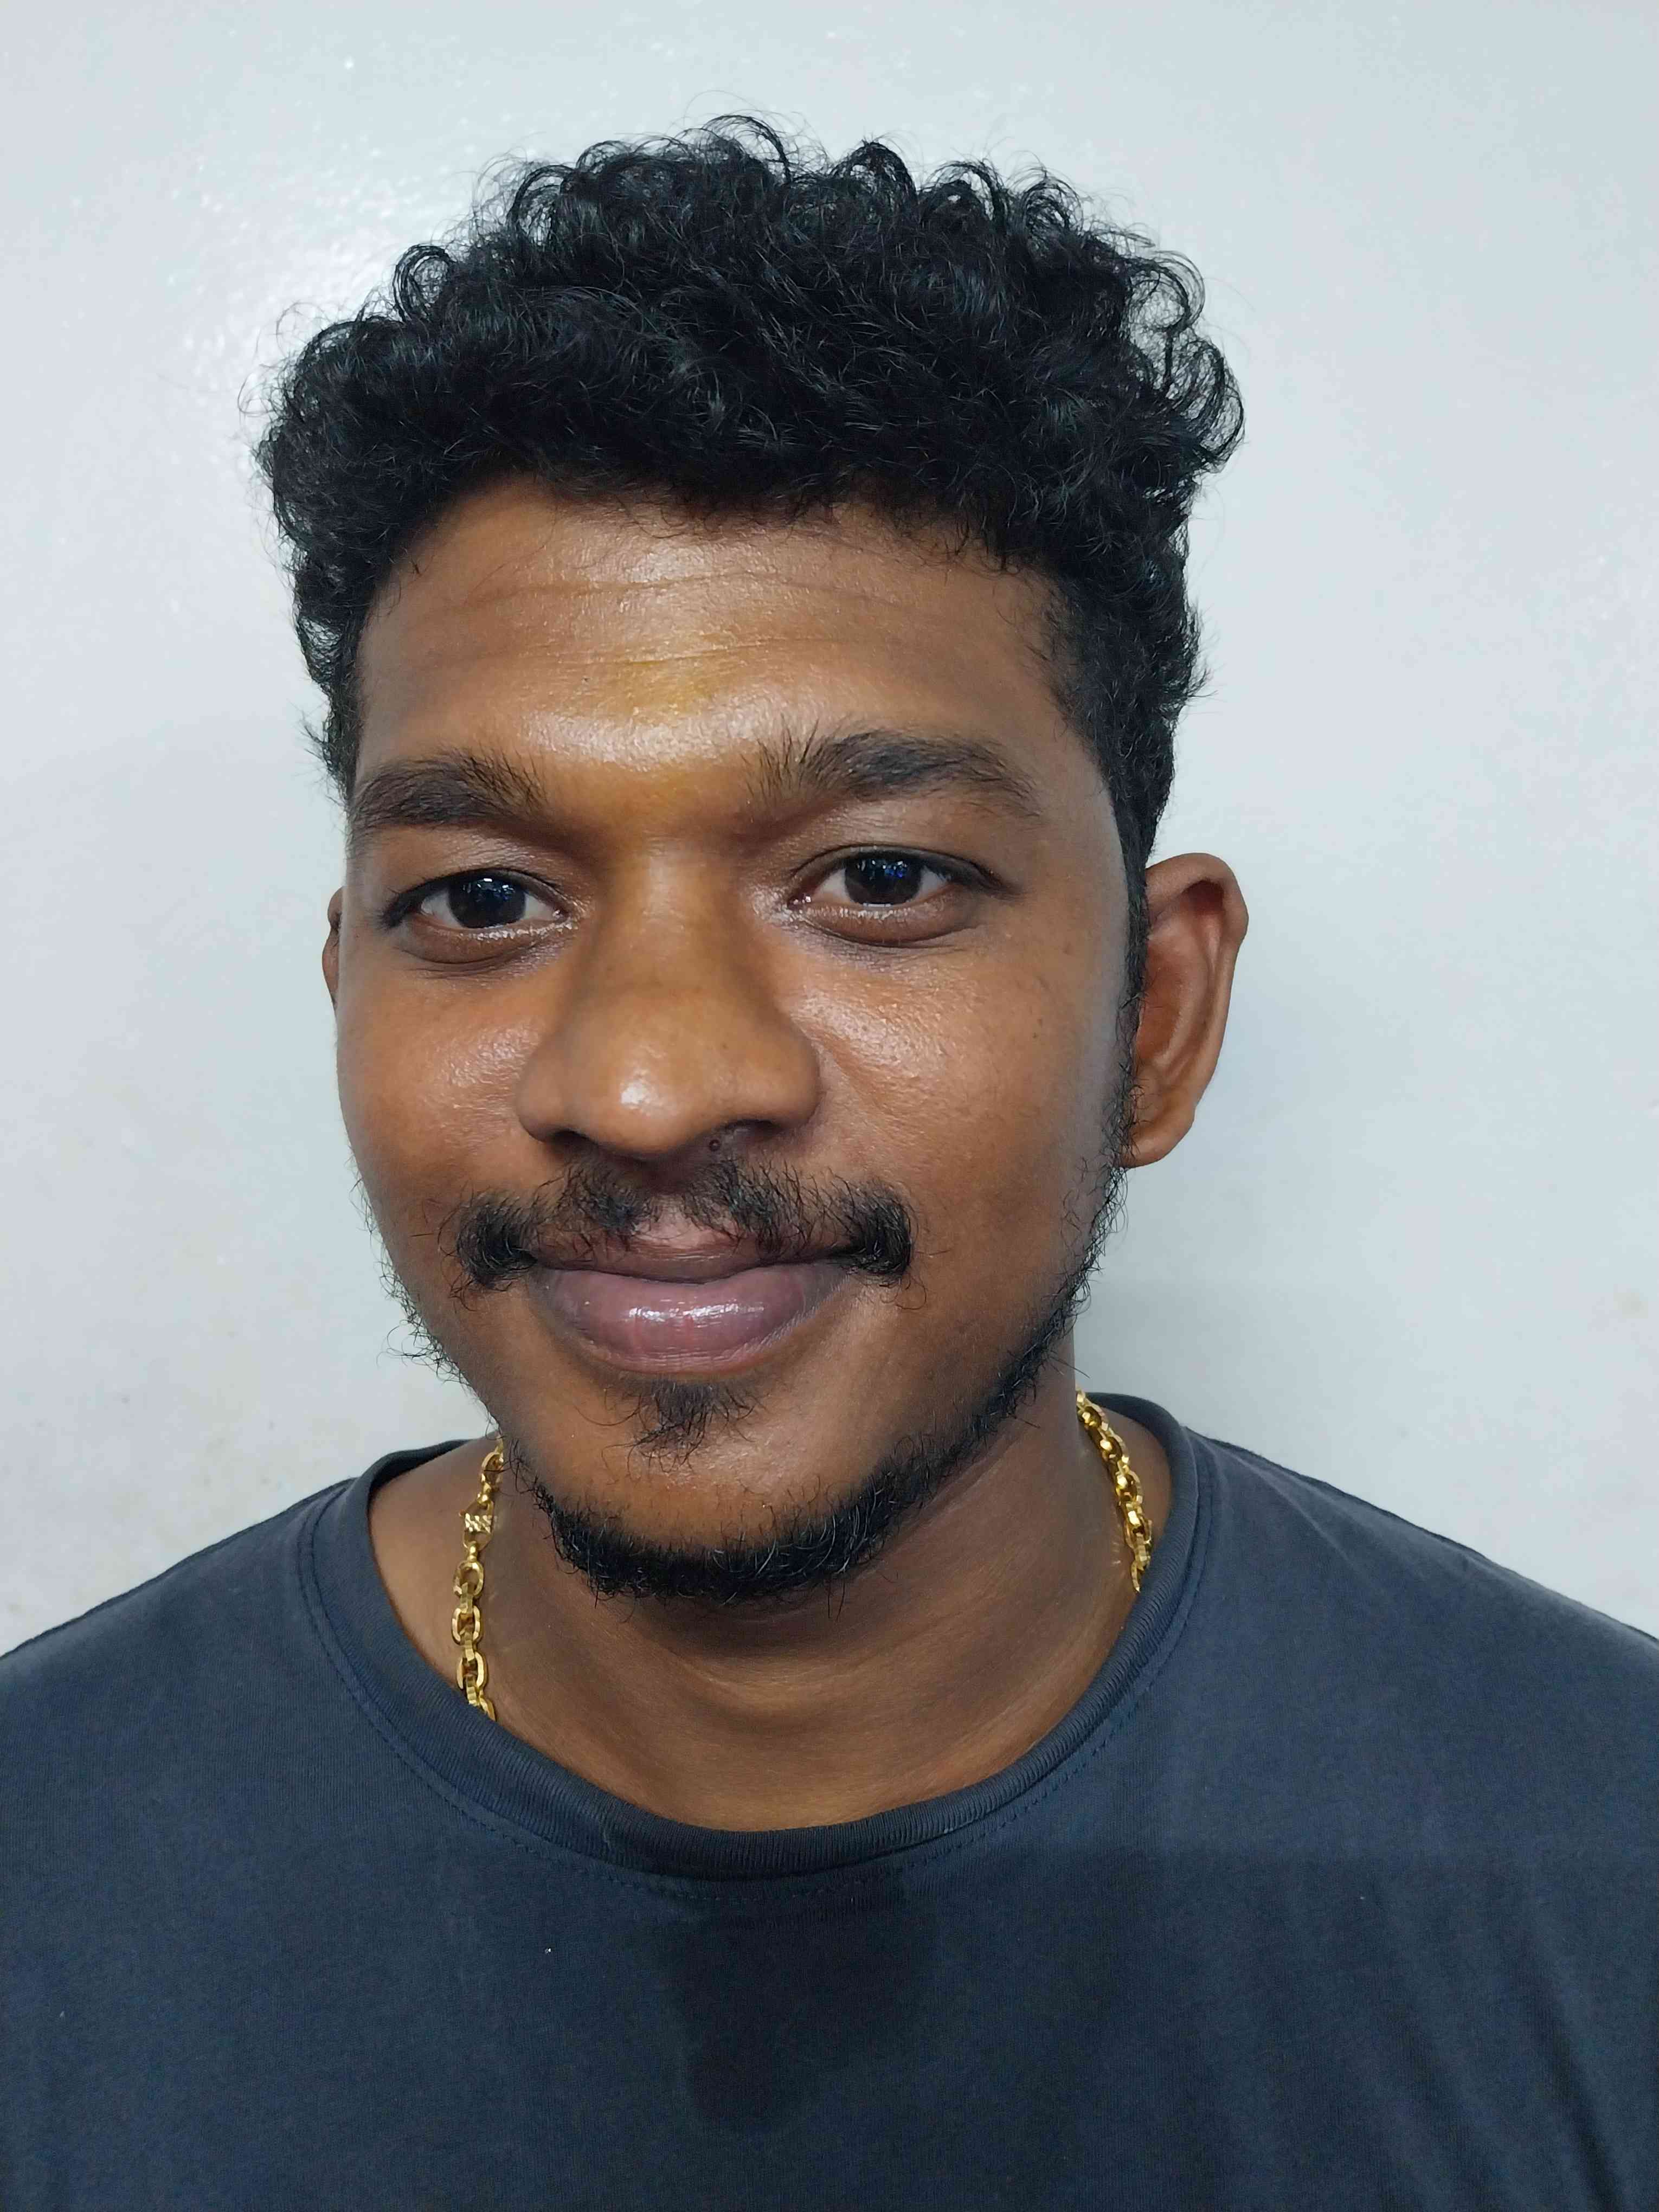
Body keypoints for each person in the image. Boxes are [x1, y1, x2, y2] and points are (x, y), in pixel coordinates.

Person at [2, 120, 1651, 2210]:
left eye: (876, 879)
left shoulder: (1596, 1864)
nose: (647, 1084)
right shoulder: (49, 1872)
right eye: (485, 899)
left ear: (1153, 1015)